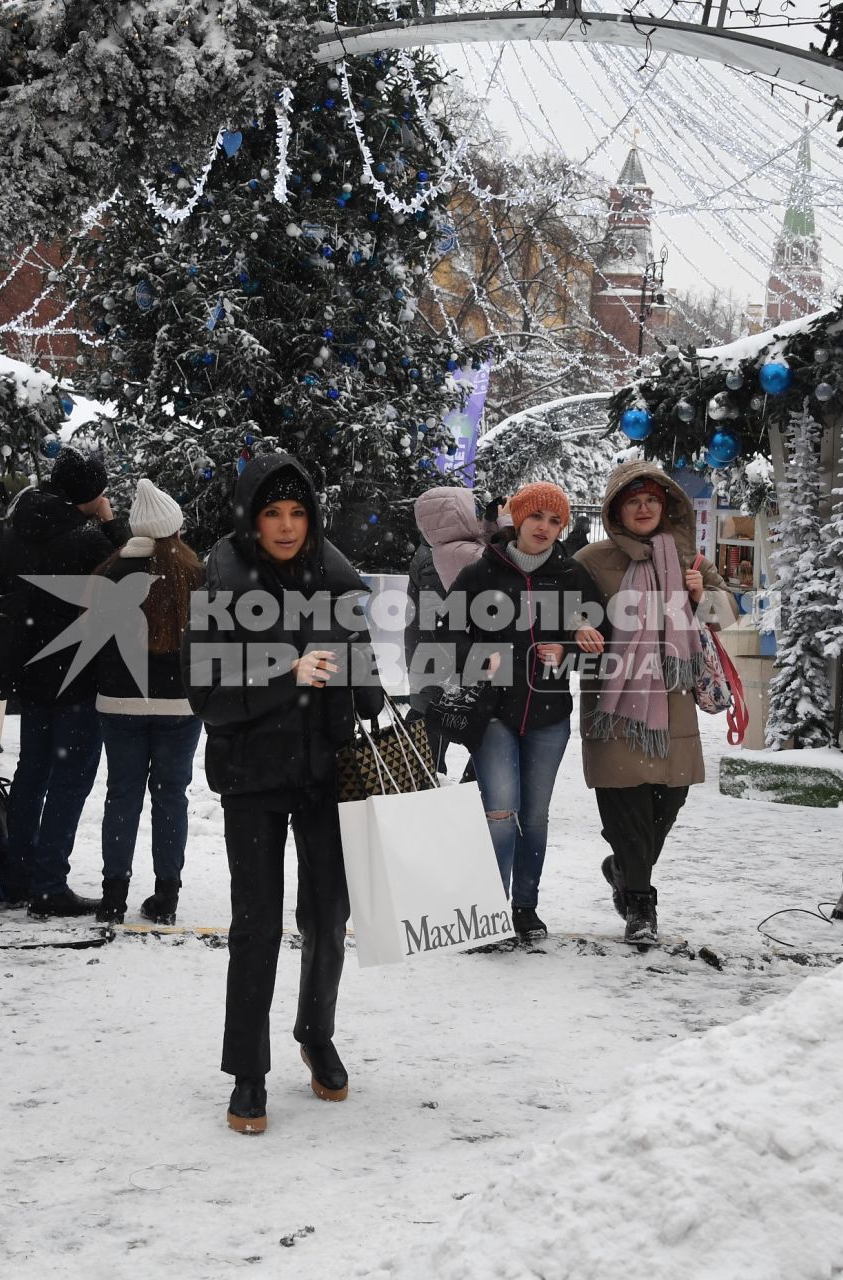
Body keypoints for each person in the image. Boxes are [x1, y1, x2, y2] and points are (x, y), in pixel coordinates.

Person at [183, 454, 383, 1135]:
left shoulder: (338, 578)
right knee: (257, 925)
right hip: (253, 775)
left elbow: (365, 676)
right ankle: (248, 1069)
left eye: (298, 512)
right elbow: (204, 694)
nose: (287, 525)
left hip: (329, 771)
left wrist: (365, 682)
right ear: (250, 516)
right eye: (273, 512)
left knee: (328, 918)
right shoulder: (220, 582)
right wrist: (286, 670)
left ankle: (315, 1032)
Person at [442, 481, 605, 941]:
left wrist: (572, 648)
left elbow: (601, 635)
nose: (545, 528)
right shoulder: (482, 572)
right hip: (492, 714)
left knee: (534, 816)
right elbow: (447, 630)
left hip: (549, 716)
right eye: (537, 517)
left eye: (556, 521)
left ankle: (524, 906)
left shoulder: (571, 575)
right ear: (517, 517)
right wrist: (480, 657)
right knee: (499, 811)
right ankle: (490, 909)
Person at [575, 462, 708, 945]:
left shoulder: (689, 556)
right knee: (625, 809)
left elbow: (726, 611)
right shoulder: (592, 558)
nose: (645, 507)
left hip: (672, 702)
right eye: (633, 501)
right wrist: (576, 626)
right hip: (615, 700)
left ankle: (623, 868)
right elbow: (565, 604)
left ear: (666, 504)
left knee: (667, 803)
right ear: (617, 510)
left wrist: (702, 597)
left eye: (651, 499)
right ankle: (641, 906)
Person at [0, 449, 128, 917]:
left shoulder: (13, 531)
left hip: (29, 672)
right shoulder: (88, 542)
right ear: (89, 493)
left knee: (31, 772)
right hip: (77, 676)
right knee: (71, 779)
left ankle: (18, 876)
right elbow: (131, 581)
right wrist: (111, 524)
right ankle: (49, 884)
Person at [91, 479, 203, 926]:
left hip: (119, 704)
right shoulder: (195, 574)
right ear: (174, 527)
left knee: (121, 796)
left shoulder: (109, 573)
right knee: (171, 797)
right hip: (180, 706)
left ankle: (112, 896)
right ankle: (166, 896)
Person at [404, 485, 492, 770]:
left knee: (427, 721)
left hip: (426, 656)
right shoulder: (451, 556)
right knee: (446, 727)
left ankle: (422, 771)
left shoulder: (427, 550)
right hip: (445, 662)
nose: (476, 518)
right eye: (472, 512)